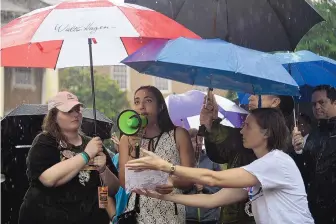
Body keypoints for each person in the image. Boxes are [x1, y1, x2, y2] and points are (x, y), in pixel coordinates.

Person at [127, 108, 314, 224]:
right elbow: (212, 200)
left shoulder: (275, 162)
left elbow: (213, 178)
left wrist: (166, 166)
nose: (241, 130)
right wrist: (162, 197)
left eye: (248, 126)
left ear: (266, 132)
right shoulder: (260, 167)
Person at [18, 91, 119, 224]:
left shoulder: (93, 143)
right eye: (68, 111)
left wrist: (103, 170)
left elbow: (113, 189)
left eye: (77, 109)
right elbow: (49, 179)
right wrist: (86, 155)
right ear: (54, 116)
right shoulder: (44, 141)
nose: (75, 114)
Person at [200, 93, 294, 224]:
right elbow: (220, 156)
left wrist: (213, 126)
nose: (250, 97)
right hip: (232, 209)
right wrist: (209, 125)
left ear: (275, 102)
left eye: (258, 94)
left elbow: (238, 143)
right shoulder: (248, 129)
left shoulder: (279, 133)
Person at [118, 86, 195, 223]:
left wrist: (170, 181)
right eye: (136, 102)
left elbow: (190, 178)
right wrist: (132, 149)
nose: (141, 106)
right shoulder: (126, 139)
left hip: (171, 212)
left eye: (148, 101)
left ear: (160, 107)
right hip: (139, 213)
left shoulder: (178, 135)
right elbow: (125, 181)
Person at [292, 85, 336, 224]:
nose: (317, 107)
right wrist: (298, 151)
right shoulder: (313, 135)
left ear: (334, 102)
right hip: (313, 209)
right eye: (313, 104)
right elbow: (305, 173)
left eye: (322, 102)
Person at [184, 129, 221, 224]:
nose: (199, 143)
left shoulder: (212, 160)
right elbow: (176, 187)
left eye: (201, 140)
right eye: (195, 141)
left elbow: (221, 186)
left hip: (210, 216)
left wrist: (205, 188)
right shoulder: (181, 162)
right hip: (189, 216)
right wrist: (191, 185)